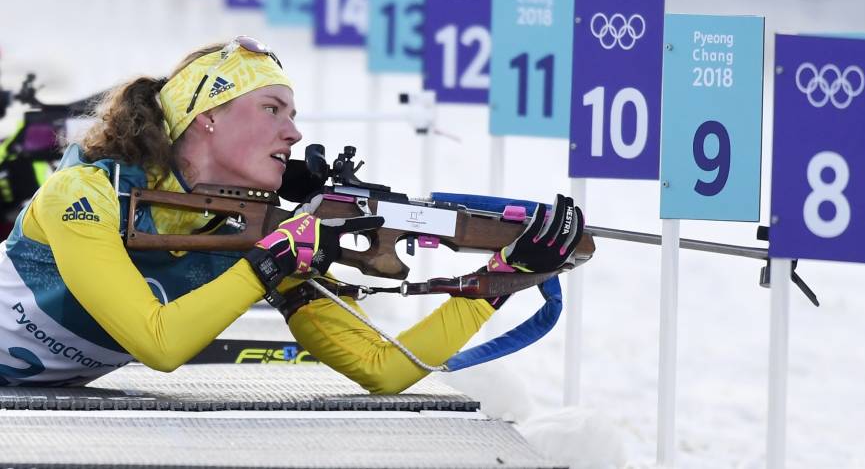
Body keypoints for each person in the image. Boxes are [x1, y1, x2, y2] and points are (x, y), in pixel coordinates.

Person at [0, 37, 583, 392]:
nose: (295, 131)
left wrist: (497, 282)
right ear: (207, 116)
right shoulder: (85, 194)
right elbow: (160, 345)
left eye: (293, 113)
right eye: (273, 108)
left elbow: (385, 368)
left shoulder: (250, 231)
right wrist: (268, 265)